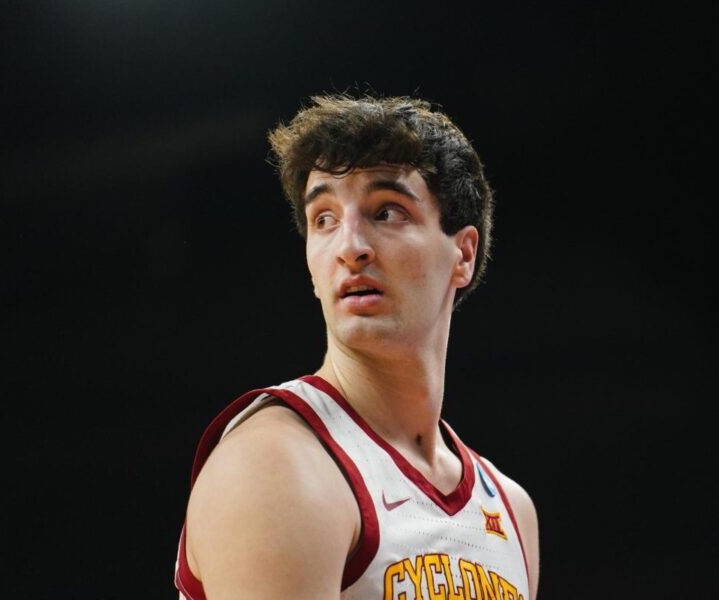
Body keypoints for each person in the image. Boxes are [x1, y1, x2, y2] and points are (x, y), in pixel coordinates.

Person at [174, 94, 540, 599]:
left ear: (463, 254)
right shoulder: (277, 465)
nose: (349, 247)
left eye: (386, 212)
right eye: (324, 218)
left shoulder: (510, 510)